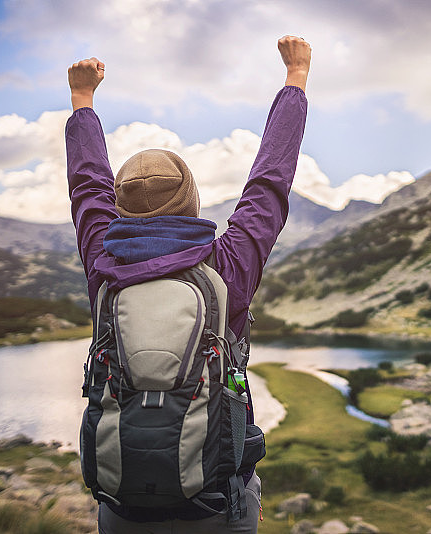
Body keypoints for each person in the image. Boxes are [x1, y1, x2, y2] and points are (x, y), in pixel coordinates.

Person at [66, 35, 311, 533]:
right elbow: (269, 183)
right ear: (191, 200)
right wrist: (296, 78)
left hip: (122, 506)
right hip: (217, 503)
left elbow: (86, 186)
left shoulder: (103, 264)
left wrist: (81, 101)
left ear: (119, 206)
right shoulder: (226, 265)